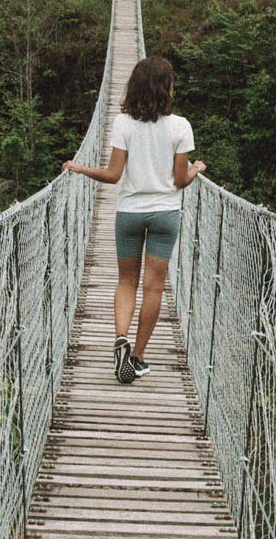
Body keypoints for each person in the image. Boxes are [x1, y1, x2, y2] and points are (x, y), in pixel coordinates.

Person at [63, 56, 205, 384]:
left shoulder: (123, 123)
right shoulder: (181, 126)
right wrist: (197, 169)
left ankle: (120, 337)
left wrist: (81, 168)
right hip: (165, 214)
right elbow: (181, 180)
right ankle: (137, 357)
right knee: (154, 287)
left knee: (126, 281)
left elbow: (113, 175)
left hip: (129, 213)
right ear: (167, 88)